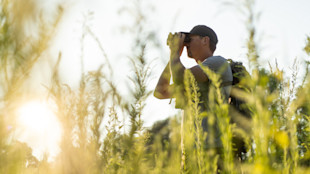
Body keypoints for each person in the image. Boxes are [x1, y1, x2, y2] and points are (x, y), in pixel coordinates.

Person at [154, 25, 233, 169]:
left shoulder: (218, 63)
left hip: (212, 150)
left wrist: (174, 53)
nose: (187, 43)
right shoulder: (195, 77)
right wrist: (175, 53)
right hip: (191, 152)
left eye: (190, 39)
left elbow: (180, 78)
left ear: (205, 40)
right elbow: (160, 91)